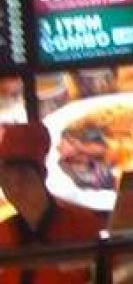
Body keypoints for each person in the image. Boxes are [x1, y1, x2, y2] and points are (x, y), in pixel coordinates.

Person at [0, 122, 101, 284]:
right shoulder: (3, 233)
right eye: (6, 180)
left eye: (24, 178)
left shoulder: (83, 228)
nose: (15, 188)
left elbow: (120, 272)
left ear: (43, 176)